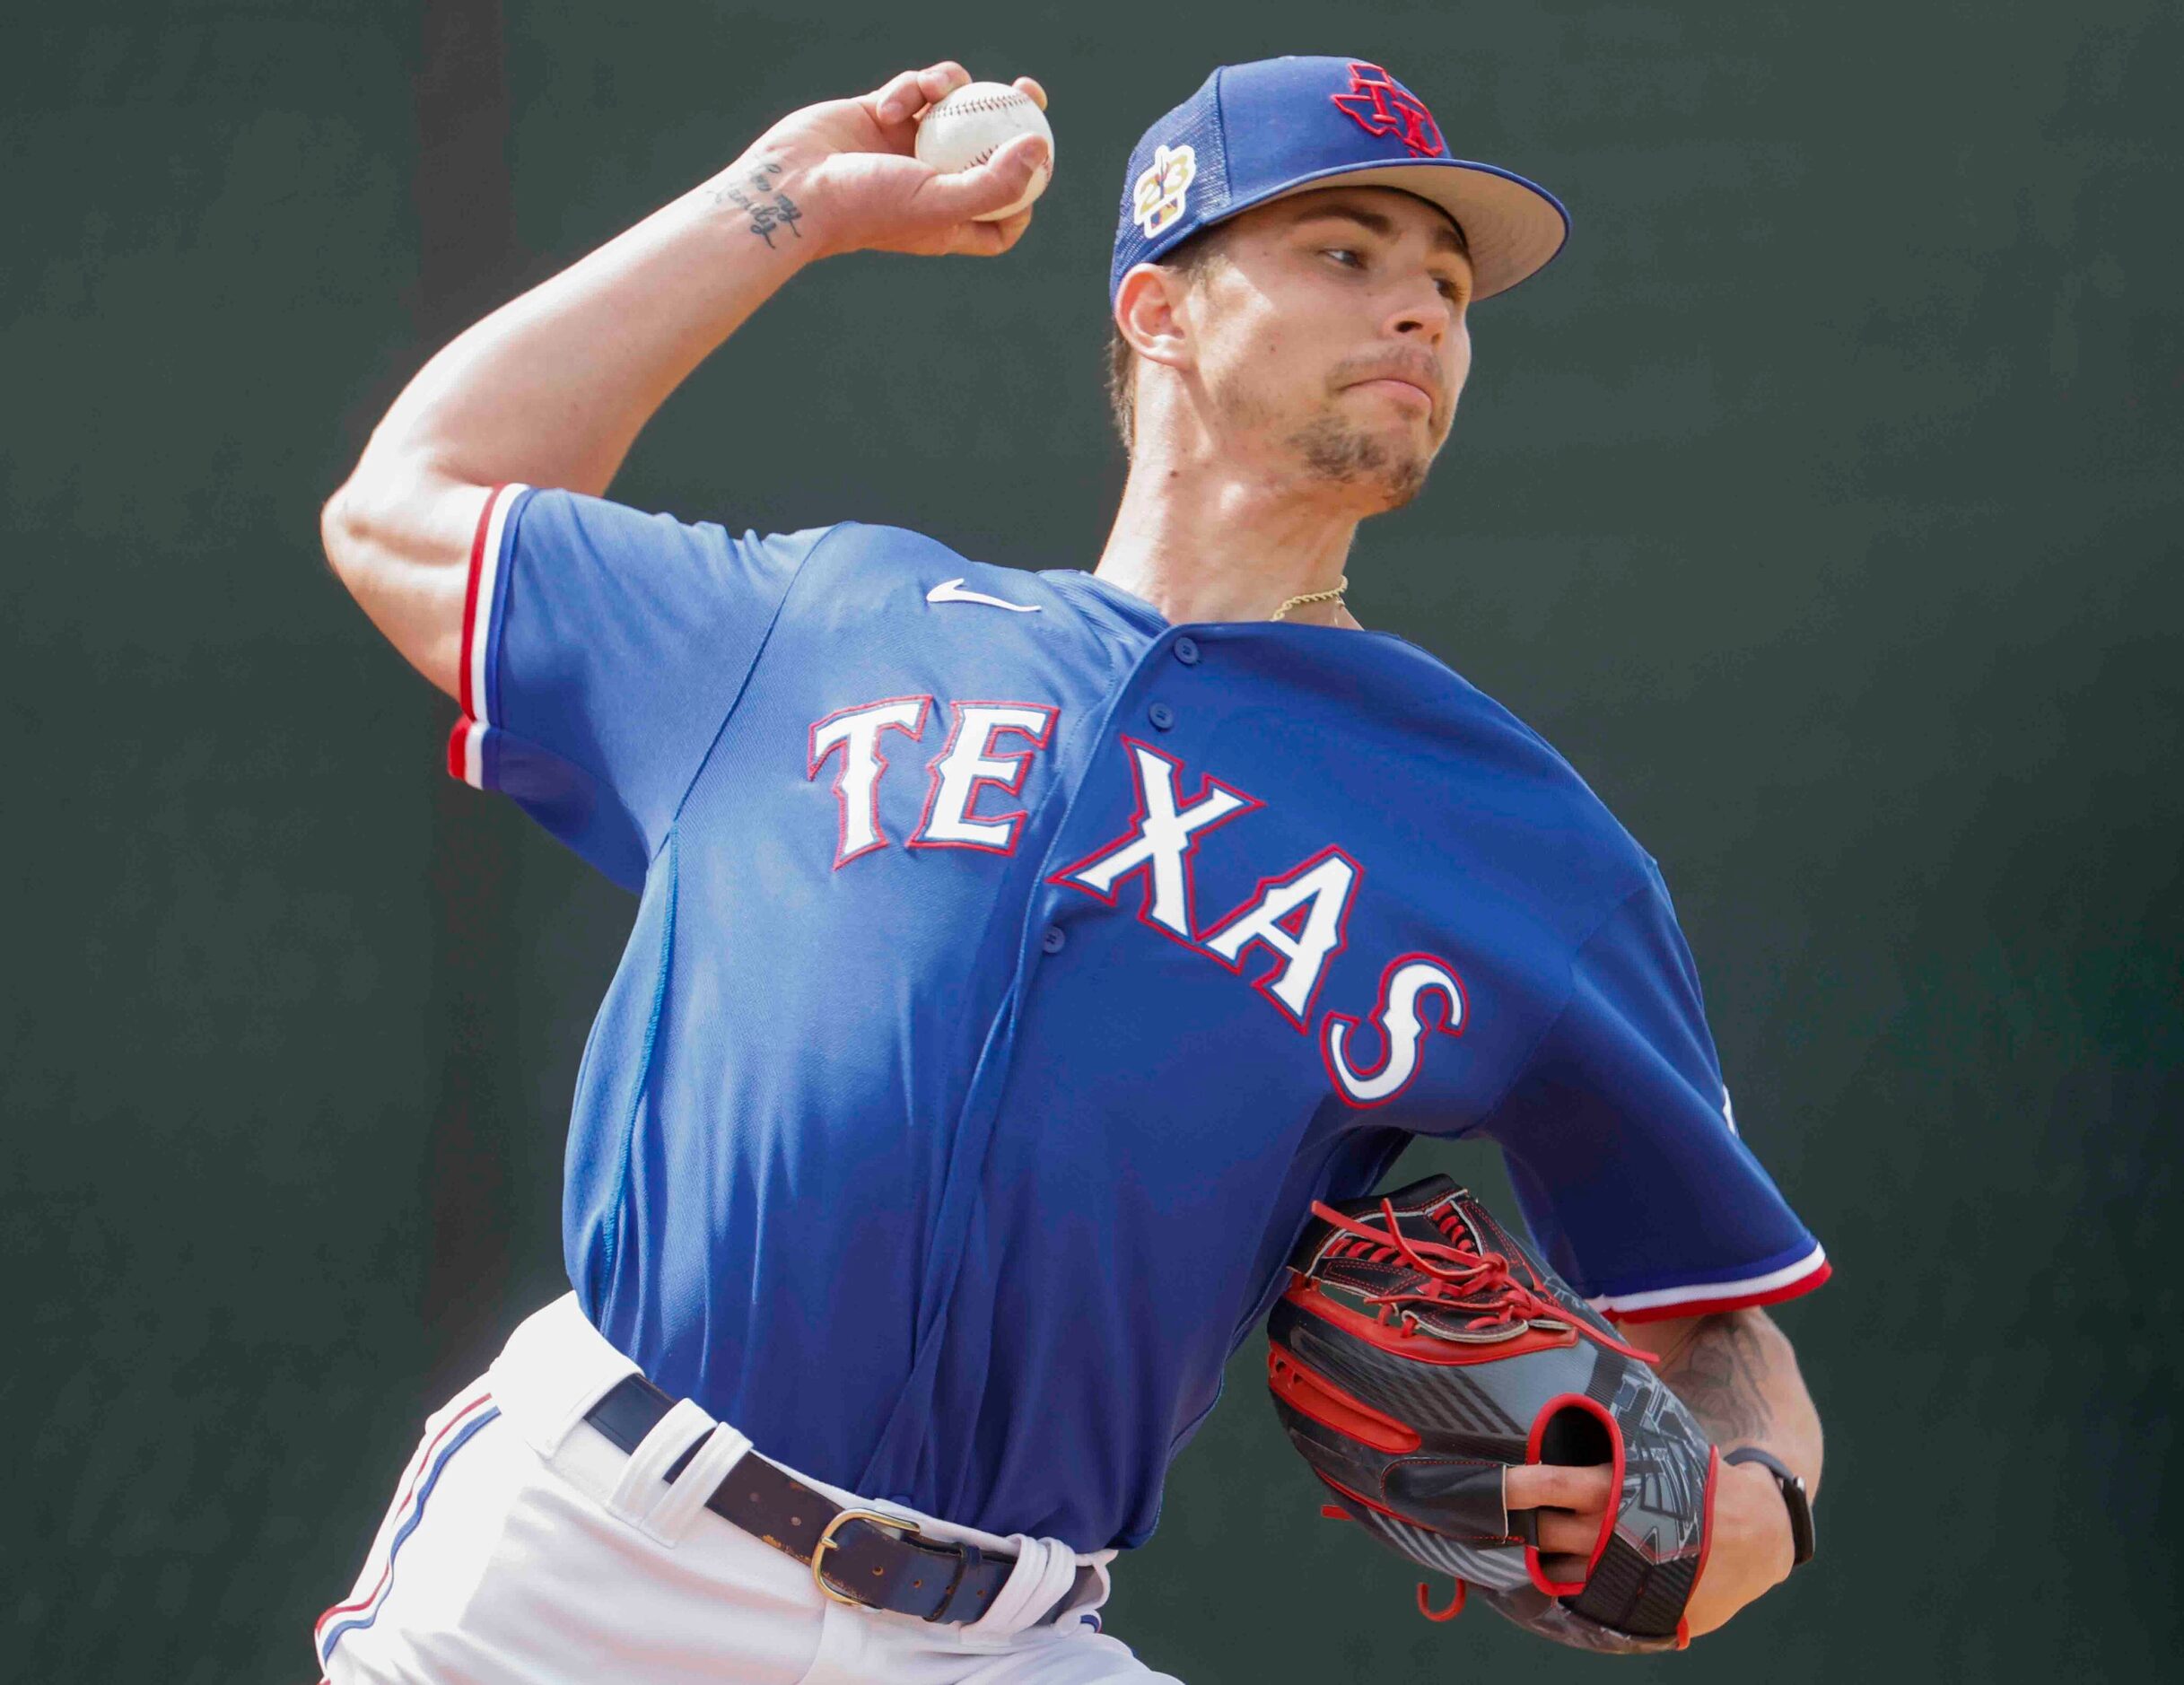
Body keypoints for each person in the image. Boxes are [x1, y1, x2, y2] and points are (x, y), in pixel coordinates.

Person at [313, 53, 1829, 1685]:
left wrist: (1758, 1504)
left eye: (1447, 286)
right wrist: (791, 207)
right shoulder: (813, 624)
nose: (1419, 313)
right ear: (1157, 311)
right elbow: (410, 504)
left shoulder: (1515, 838)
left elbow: (1712, 1318)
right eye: (1346, 254)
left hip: (1006, 1636)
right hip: (587, 1556)